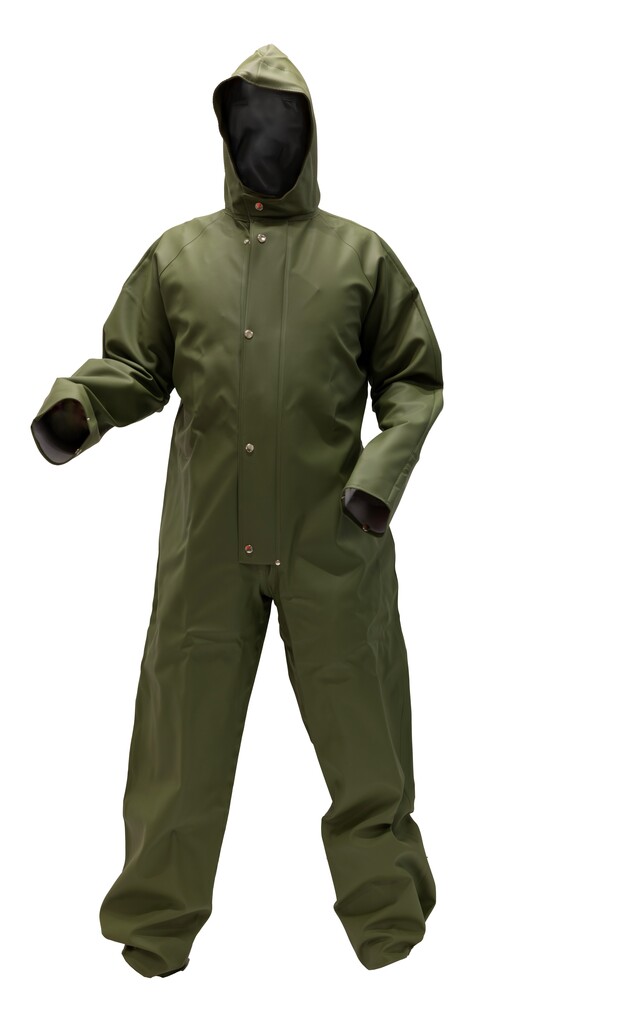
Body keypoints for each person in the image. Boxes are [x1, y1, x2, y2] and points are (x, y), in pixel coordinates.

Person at [30, 42, 444, 976]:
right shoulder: (180, 256)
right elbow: (136, 364)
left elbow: (413, 382)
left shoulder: (361, 257)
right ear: (225, 134)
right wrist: (80, 405)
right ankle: (154, 922)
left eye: (282, 125)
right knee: (179, 741)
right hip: (208, 543)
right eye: (249, 123)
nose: (266, 141)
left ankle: (388, 920)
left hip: (334, 539)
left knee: (367, 741)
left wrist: (376, 482)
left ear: (307, 137)